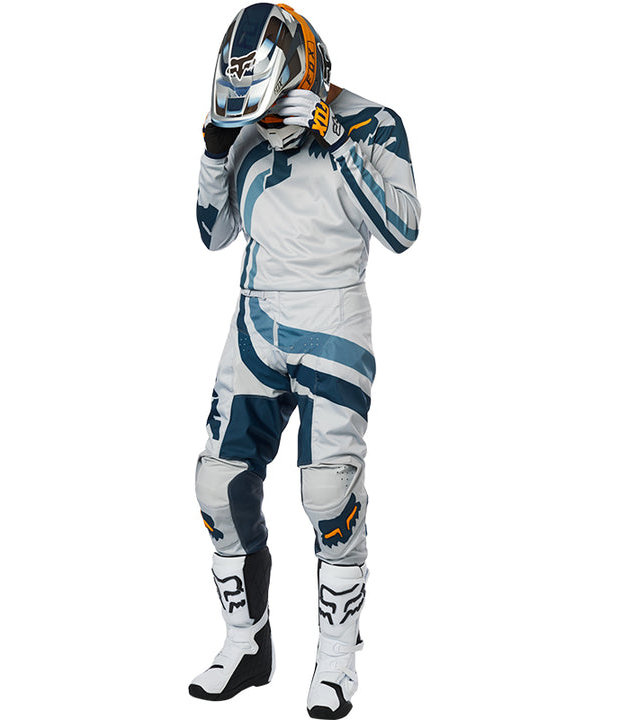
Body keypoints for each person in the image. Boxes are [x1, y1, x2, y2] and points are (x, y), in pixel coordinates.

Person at [189, 3, 420, 717]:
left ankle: (337, 661)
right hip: (255, 318)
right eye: (250, 113)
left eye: (270, 109)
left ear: (304, 74)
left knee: (328, 495)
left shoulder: (375, 121)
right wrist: (214, 152)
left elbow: (403, 231)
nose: (265, 125)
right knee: (218, 484)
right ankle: (246, 644)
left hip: (333, 321)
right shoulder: (249, 133)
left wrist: (336, 137)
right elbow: (213, 235)